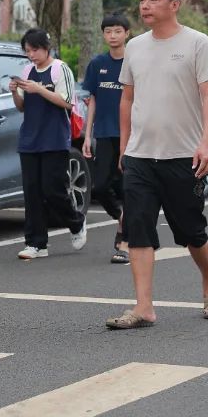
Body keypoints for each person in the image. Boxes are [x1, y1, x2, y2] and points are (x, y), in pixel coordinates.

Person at [106, 0, 208, 329]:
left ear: (174, 5)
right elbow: (127, 99)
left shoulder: (197, 43)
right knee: (138, 229)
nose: (144, 5)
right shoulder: (135, 47)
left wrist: (206, 143)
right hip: (140, 156)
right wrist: (125, 146)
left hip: (183, 156)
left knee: (191, 231)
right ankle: (144, 307)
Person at [10, 28, 87, 259]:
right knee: (32, 192)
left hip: (54, 138)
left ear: (46, 48)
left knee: (53, 189)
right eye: (27, 51)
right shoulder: (27, 71)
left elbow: (67, 102)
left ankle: (76, 222)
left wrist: (39, 89)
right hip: (29, 139)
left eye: (35, 50)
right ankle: (36, 243)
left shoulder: (59, 69)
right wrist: (15, 93)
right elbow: (22, 107)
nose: (31, 55)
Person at [81, 14, 131, 264]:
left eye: (118, 31)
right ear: (103, 35)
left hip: (132, 136)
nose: (113, 35)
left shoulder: (135, 63)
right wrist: (87, 135)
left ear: (127, 34)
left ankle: (124, 241)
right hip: (104, 133)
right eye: (108, 31)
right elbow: (92, 100)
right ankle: (121, 217)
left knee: (128, 188)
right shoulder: (97, 64)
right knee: (100, 186)